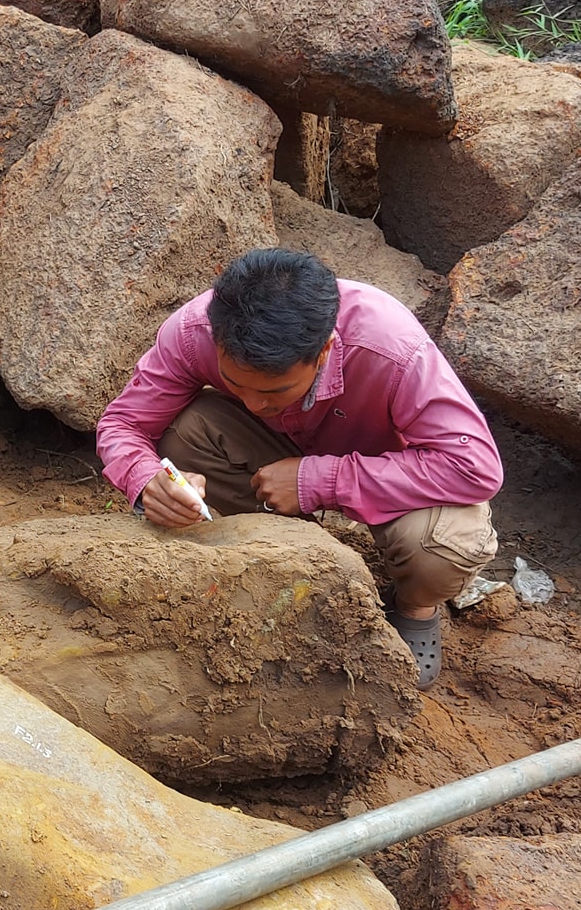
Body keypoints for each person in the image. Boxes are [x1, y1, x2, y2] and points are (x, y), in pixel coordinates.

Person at [94, 247, 504, 688]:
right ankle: (280, 560)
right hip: (270, 454)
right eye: (235, 383)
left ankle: (415, 607)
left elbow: (474, 466)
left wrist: (317, 480)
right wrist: (146, 479)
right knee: (185, 431)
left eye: (275, 390)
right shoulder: (195, 330)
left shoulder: (392, 347)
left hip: (392, 473)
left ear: (323, 350)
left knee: (442, 549)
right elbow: (123, 424)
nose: (254, 404)